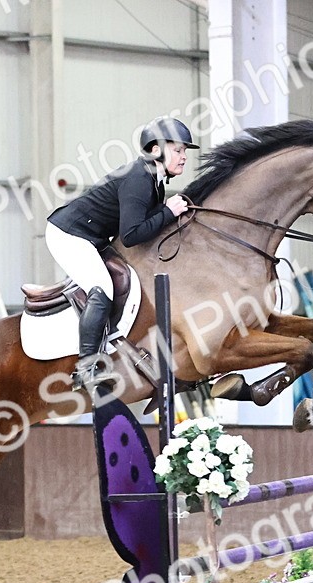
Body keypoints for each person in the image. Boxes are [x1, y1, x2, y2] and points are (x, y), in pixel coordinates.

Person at [46, 116, 199, 391]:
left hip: (92, 236)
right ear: (156, 150)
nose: (184, 157)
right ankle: (87, 367)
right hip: (68, 234)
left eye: (184, 151)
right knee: (102, 286)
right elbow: (131, 236)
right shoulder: (139, 178)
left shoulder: (155, 180)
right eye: (178, 150)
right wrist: (168, 212)